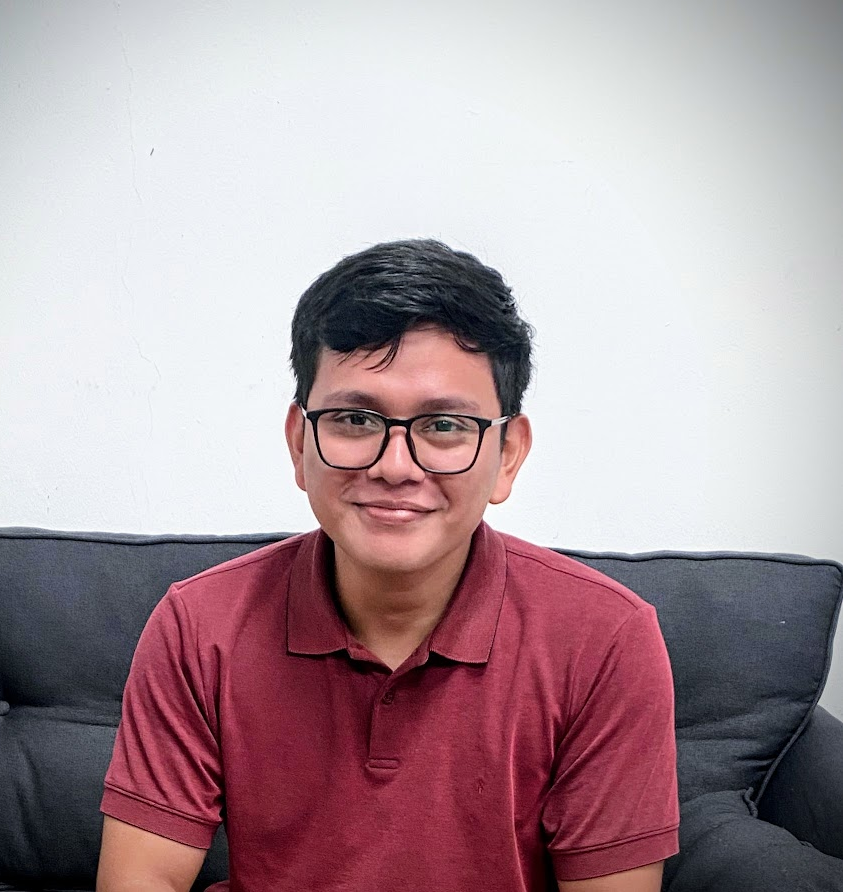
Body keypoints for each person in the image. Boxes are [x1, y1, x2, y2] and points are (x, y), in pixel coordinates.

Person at [96, 239, 679, 892]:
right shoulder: (196, 627)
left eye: (444, 426)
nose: (394, 467)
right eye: (353, 418)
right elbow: (142, 881)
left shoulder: (607, 640)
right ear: (299, 443)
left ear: (508, 455)